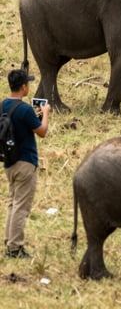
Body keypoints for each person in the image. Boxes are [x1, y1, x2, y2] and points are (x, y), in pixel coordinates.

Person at [3, 69, 50, 259]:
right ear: (23, 86)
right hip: (25, 163)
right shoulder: (25, 109)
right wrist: (44, 113)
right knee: (21, 206)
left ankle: (9, 240)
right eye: (27, 83)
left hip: (9, 163)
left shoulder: (3, 105)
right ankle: (15, 247)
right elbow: (42, 131)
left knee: (13, 203)